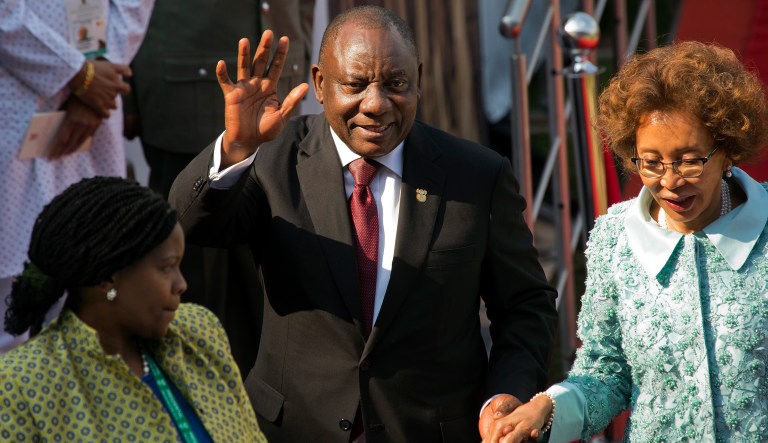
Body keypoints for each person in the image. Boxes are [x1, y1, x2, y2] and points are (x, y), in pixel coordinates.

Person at [170, 5, 558, 442]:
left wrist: (506, 393)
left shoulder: (476, 176)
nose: (375, 104)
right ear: (320, 84)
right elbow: (189, 227)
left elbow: (525, 305)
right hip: (295, 430)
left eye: (396, 84)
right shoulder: (272, 160)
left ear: (418, 78)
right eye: (354, 85)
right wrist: (235, 148)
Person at [482, 41, 768, 443]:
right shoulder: (615, 238)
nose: (669, 181)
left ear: (728, 151)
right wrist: (546, 409)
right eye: (651, 162)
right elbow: (606, 374)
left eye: (689, 160)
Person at [123, 0, 315, 374]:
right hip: (186, 95)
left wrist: (301, 52)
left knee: (273, 277)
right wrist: (126, 91)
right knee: (193, 282)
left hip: (277, 91)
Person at [0, 176, 266, 442]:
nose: (181, 284)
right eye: (167, 267)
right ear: (107, 278)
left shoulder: (199, 330)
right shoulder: (21, 384)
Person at [0, 0, 154, 352]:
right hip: (12, 94)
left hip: (97, 103)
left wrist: (100, 78)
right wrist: (77, 75)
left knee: (91, 286)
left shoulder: (96, 87)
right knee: (7, 311)